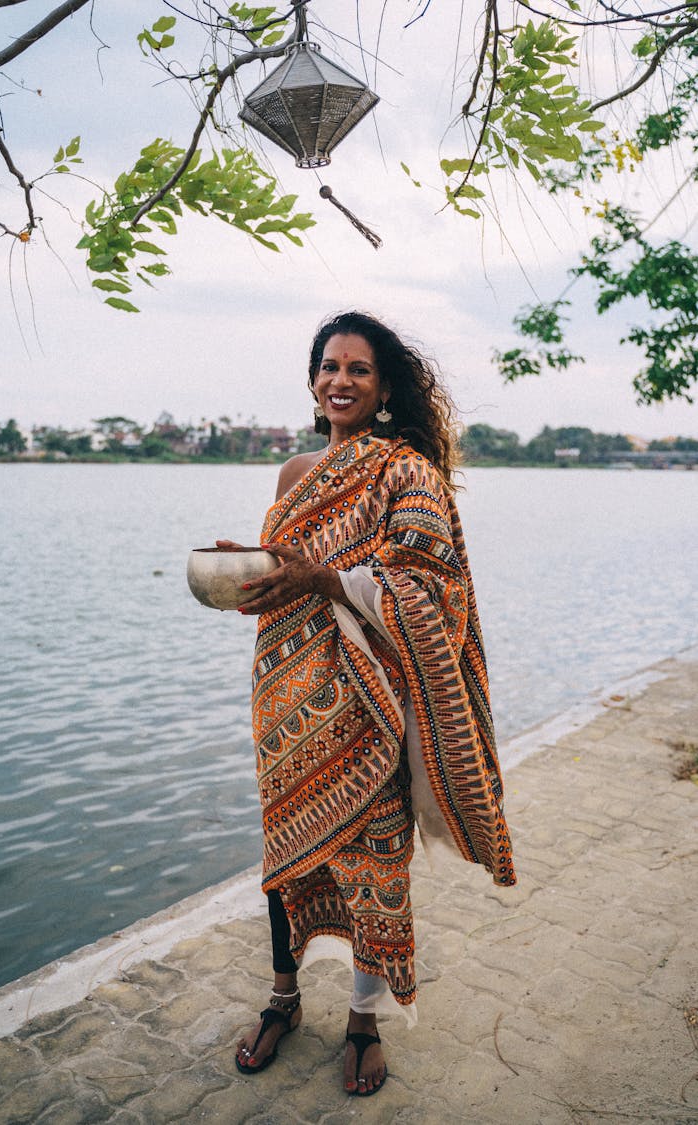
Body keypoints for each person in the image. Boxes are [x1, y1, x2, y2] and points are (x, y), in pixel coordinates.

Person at [223, 311, 515, 1097]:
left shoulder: (406, 471)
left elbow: (431, 590)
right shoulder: (293, 472)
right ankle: (283, 998)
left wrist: (325, 579)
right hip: (286, 690)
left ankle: (363, 1019)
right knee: (288, 853)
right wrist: (245, 577)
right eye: (328, 366)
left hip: (370, 700)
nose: (340, 380)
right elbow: (281, 579)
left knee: (373, 857)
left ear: (384, 386)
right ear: (312, 381)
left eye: (357, 368)